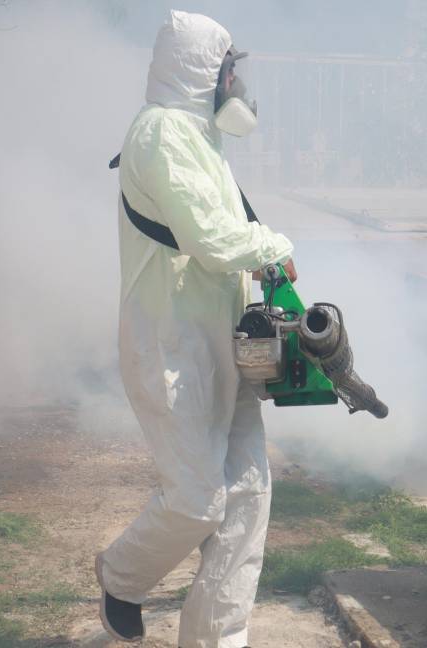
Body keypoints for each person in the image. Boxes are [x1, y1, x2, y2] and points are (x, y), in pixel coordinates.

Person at [96, 11, 294, 647]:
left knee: (247, 501)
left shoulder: (202, 138)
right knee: (196, 501)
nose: (236, 84)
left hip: (219, 350)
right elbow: (210, 239)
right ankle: (122, 577)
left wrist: (261, 271)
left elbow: (218, 245)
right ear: (203, 71)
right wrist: (273, 243)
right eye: (230, 70)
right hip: (170, 348)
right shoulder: (157, 133)